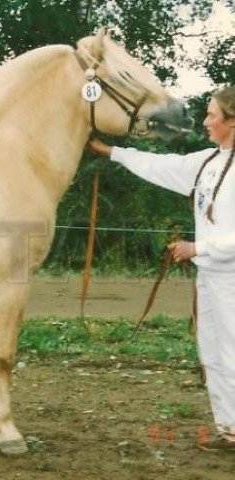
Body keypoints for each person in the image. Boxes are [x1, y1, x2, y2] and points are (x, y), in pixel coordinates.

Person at [88, 86, 235, 451]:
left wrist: (197, 247)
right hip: (211, 278)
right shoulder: (207, 162)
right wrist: (111, 152)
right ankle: (230, 430)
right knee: (213, 353)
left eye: (212, 115)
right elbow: (160, 165)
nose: (205, 121)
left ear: (232, 121)